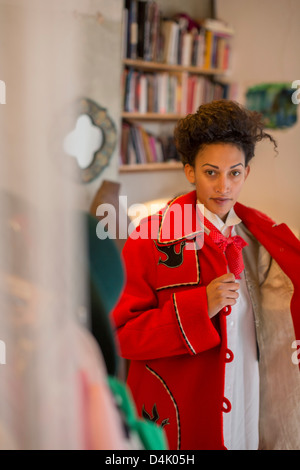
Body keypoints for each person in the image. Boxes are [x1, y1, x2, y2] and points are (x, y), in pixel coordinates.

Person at [111, 100, 300, 450]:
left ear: (247, 172)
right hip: (179, 409)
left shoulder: (261, 240)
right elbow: (122, 335)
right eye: (211, 172)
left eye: (235, 173)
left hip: (246, 401)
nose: (223, 186)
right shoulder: (148, 237)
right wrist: (199, 306)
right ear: (190, 171)